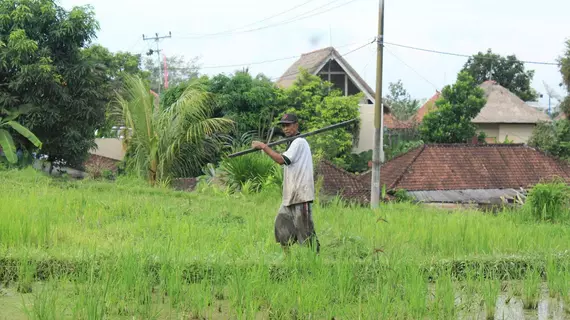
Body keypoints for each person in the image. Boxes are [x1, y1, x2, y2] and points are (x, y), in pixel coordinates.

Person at [251, 113, 320, 254]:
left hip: (301, 195)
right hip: (290, 196)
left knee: (305, 231)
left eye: (288, 125)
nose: (285, 128)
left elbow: (282, 160)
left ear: (296, 125)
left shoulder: (299, 142)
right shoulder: (292, 143)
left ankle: (316, 258)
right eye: (283, 126)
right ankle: (287, 260)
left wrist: (264, 146)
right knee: (281, 226)